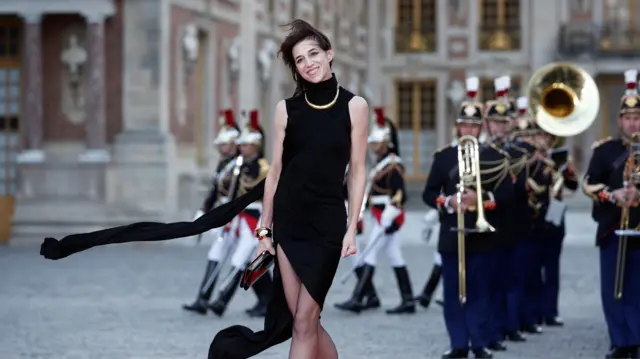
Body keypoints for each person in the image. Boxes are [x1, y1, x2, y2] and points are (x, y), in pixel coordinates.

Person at [40, 19, 368, 359]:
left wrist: (352, 228)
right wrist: (265, 229)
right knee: (305, 322)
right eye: (299, 59)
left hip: (327, 223)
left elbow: (357, 170)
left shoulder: (355, 107)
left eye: (313, 54)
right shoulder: (286, 109)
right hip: (290, 221)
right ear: (295, 69)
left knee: (304, 318)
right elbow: (276, 174)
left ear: (329, 55)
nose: (308, 63)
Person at [423, 76, 514, 359]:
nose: (470, 130)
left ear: (481, 128)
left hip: (482, 235)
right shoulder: (444, 157)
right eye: (465, 124)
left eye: (475, 125)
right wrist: (449, 201)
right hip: (452, 233)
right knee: (453, 294)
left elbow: (508, 193)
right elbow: (428, 193)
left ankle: (480, 342)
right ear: (457, 126)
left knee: (481, 292)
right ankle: (459, 344)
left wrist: (482, 201)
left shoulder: (494, 157)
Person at [582, 69, 640, 359]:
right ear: (619, 121)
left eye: (637, 118)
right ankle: (620, 341)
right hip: (612, 227)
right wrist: (612, 194)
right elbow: (588, 184)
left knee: (637, 287)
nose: (633, 123)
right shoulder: (605, 150)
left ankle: (637, 338)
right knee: (613, 288)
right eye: (628, 118)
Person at [334, 107, 415, 315]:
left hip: (387, 215)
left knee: (368, 254)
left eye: (376, 143)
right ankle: (407, 299)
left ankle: (359, 297)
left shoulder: (394, 165)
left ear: (386, 143)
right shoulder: (381, 163)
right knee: (395, 256)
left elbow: (400, 194)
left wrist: (391, 213)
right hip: (378, 214)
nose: (373, 146)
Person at [207, 109, 273, 318]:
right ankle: (267, 301)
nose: (241, 148)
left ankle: (221, 301)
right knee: (247, 262)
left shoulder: (263, 168)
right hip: (241, 218)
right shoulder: (238, 166)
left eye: (245, 145)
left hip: (257, 219)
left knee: (240, 260)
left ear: (255, 146)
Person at [183, 108, 241, 315]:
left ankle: (264, 299)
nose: (221, 148)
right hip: (227, 216)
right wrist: (203, 211)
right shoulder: (224, 164)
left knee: (243, 259)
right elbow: (215, 191)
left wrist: (230, 215)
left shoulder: (241, 165)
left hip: (242, 219)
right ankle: (203, 299)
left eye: (224, 144)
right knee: (218, 253)